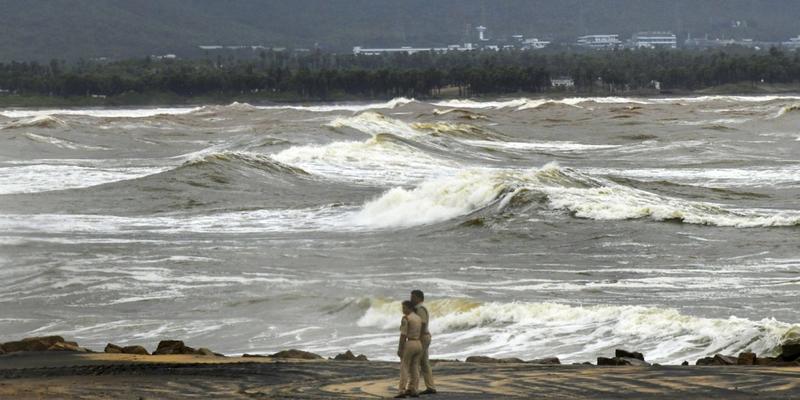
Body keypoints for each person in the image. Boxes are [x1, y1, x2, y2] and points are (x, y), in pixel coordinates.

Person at [411, 290, 436, 395]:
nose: (411, 299)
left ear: (420, 299)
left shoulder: (420, 309)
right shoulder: (419, 308)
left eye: (413, 297)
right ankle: (430, 387)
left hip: (422, 338)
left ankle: (414, 388)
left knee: (415, 362)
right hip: (425, 336)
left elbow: (423, 323)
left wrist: (418, 338)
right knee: (425, 362)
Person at [396, 300, 423, 398]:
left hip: (410, 343)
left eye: (404, 308)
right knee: (415, 367)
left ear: (409, 308)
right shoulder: (418, 318)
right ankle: (414, 389)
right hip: (418, 343)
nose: (402, 310)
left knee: (404, 367)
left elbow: (403, 335)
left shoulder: (406, 319)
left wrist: (400, 348)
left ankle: (401, 390)